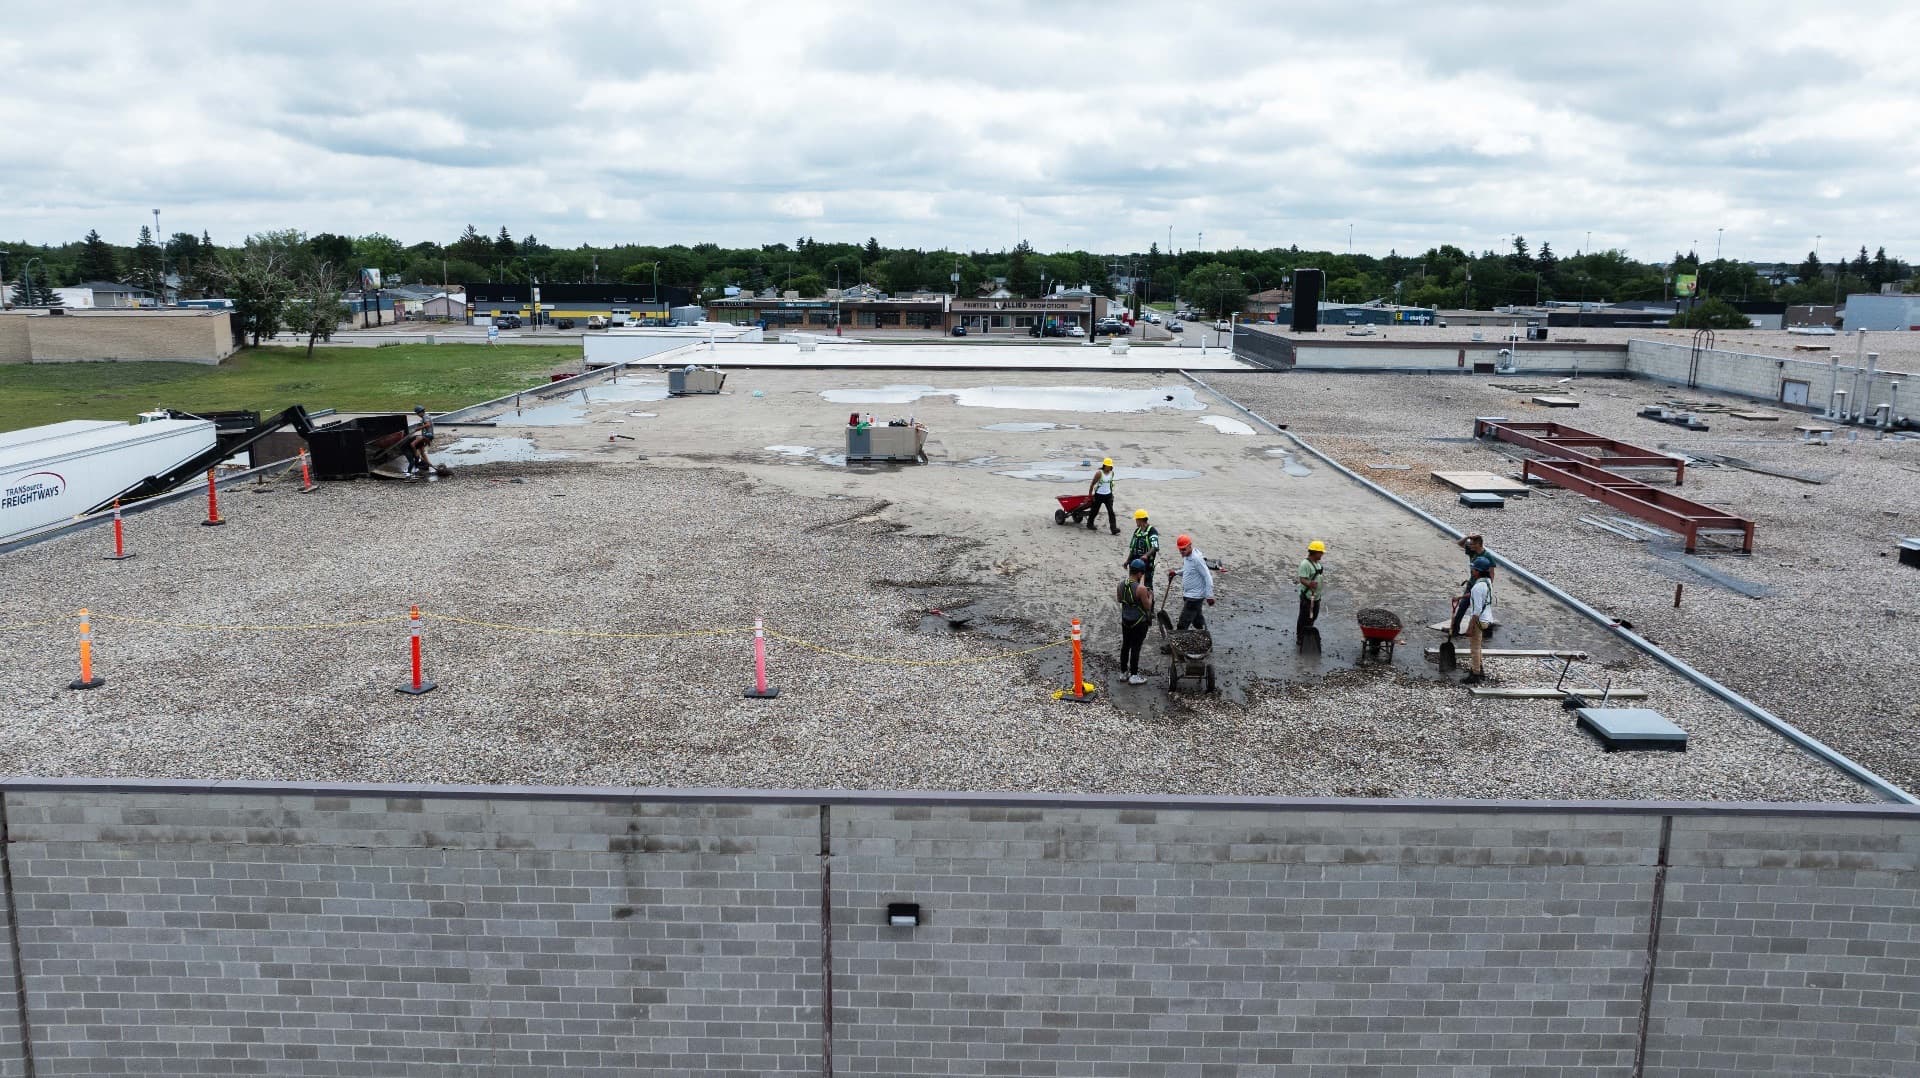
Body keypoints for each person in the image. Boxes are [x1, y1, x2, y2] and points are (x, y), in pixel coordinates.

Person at [1117, 558, 1155, 685]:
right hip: (1139, 622)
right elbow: (1148, 607)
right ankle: (1134, 675)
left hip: (1125, 620)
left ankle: (1123, 673)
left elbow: (1119, 599)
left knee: (1125, 646)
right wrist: (1150, 596)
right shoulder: (1141, 589)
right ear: (1139, 573)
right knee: (1135, 648)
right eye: (1142, 573)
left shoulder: (1121, 584)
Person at [1462, 555, 1497, 685]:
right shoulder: (1487, 582)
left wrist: (1470, 627)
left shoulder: (1477, 587)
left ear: (1477, 571)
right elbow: (1477, 595)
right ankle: (1479, 668)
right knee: (1478, 646)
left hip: (1479, 620)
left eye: (1474, 569)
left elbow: (1476, 611)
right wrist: (1461, 597)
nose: (1472, 571)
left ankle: (1475, 674)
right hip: (1488, 618)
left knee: (1474, 648)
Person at [1169, 534, 1214, 631]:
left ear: (1190, 546)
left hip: (1194, 597)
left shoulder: (1197, 559)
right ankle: (1203, 634)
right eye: (1180, 549)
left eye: (1184, 549)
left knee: (1182, 624)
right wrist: (1176, 573)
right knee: (1197, 620)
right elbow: (1187, 570)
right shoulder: (1187, 557)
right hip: (1189, 594)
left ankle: (1178, 643)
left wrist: (1209, 596)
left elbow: (1207, 576)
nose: (1181, 552)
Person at [1448, 535, 1487, 637]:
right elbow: (1460, 543)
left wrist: (1487, 586)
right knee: (1462, 606)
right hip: (1471, 583)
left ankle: (1473, 630)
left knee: (1476, 609)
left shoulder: (1487, 557)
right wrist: (1467, 536)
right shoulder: (1472, 551)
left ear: (1479, 544)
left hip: (1478, 585)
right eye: (1470, 543)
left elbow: (1491, 573)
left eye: (1473, 543)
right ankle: (1455, 629)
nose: (1470, 545)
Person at [1296, 540, 1326, 632]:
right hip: (1307, 597)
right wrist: (1310, 584)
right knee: (1304, 617)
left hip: (1316, 597)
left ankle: (1308, 633)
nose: (1322, 554)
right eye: (1320, 552)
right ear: (1315, 552)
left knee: (1313, 616)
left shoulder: (1317, 563)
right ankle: (1300, 636)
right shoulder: (1305, 564)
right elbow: (1302, 579)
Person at [1086, 458, 1119, 534]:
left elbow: (1110, 484)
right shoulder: (1099, 473)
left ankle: (1113, 529)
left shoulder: (1112, 473)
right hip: (1099, 495)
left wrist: (1111, 494)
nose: (1109, 467)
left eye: (1110, 466)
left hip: (1108, 495)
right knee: (1095, 511)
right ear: (1104, 466)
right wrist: (1090, 495)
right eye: (1107, 466)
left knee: (1111, 512)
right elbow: (1092, 484)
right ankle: (1090, 524)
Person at [1126, 509, 1161, 578]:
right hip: (1134, 565)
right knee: (1133, 584)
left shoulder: (1152, 531)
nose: (1136, 522)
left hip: (1146, 565)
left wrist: (1146, 555)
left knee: (1146, 585)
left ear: (1140, 520)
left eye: (1136, 520)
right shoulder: (1137, 531)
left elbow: (1155, 547)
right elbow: (1133, 548)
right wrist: (1127, 560)